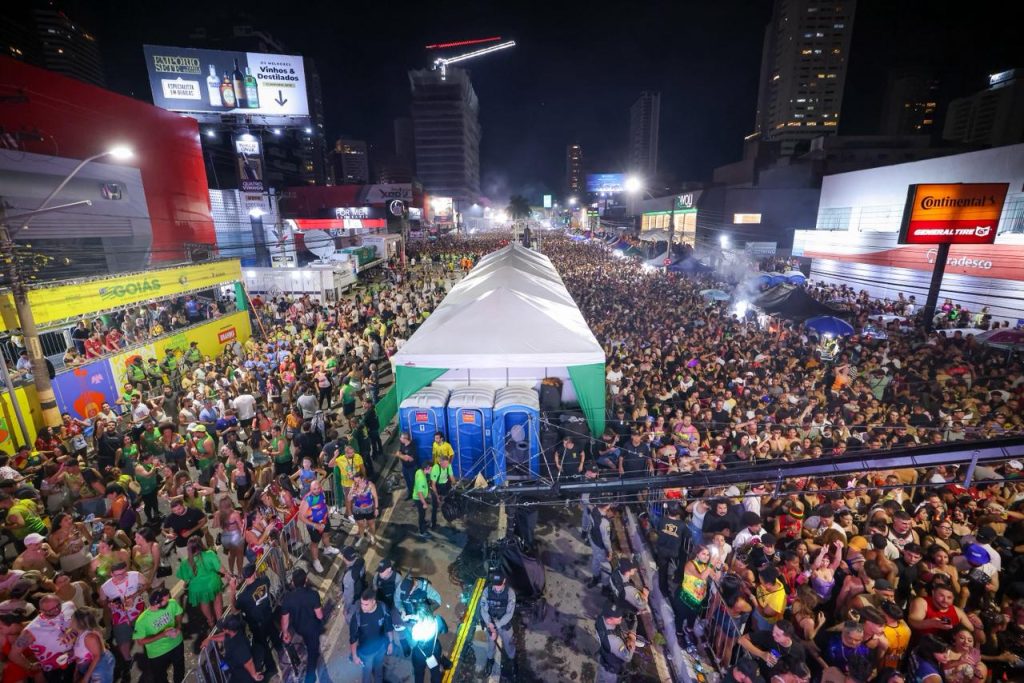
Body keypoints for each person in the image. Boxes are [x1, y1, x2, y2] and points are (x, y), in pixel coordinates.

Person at [98, 561, 147, 675]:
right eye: (118, 574)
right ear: (111, 574)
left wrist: (135, 595)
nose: (122, 576)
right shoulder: (105, 587)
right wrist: (109, 604)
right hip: (120, 616)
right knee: (122, 639)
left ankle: (149, 649)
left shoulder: (135, 575)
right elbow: (102, 602)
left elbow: (146, 584)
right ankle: (127, 660)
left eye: (124, 573)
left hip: (138, 611)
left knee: (145, 631)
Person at [14, 593, 76, 682]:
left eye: (58, 606)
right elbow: (14, 654)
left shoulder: (69, 606)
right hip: (59, 670)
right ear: (41, 611)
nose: (57, 610)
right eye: (51, 610)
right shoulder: (31, 631)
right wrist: (30, 666)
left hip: (81, 657)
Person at [280, 569, 324, 683]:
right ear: (306, 580)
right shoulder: (313, 594)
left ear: (293, 582)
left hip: (299, 628)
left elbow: (285, 619)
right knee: (312, 651)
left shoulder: (288, 598)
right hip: (313, 628)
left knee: (309, 642)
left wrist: (285, 633)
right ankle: (310, 677)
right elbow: (319, 615)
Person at [132, 587, 184, 683]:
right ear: (156, 603)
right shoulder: (142, 621)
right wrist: (163, 634)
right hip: (157, 653)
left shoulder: (172, 603)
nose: (169, 600)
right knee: (160, 677)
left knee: (180, 671)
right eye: (166, 600)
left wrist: (178, 627)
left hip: (177, 644)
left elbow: (179, 613)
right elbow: (140, 641)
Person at [203, 613, 273, 683]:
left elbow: (249, 662)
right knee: (221, 664)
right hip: (233, 663)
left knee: (225, 669)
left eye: (224, 628)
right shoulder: (236, 631)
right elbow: (224, 636)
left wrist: (254, 675)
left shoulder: (239, 647)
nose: (222, 629)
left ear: (228, 630)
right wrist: (210, 638)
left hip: (239, 670)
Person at [175, 536, 224, 629]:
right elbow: (220, 569)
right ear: (201, 544)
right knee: (217, 599)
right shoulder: (209, 554)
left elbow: (186, 579)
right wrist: (228, 575)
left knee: (204, 603)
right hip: (212, 583)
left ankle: (210, 621)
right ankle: (220, 620)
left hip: (197, 588)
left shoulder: (185, 562)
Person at [348, 588, 395, 683]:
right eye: (362, 603)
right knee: (367, 675)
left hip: (381, 649)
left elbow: (389, 627)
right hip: (366, 654)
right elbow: (353, 638)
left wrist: (391, 642)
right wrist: (354, 655)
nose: (363, 607)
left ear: (374, 602)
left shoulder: (383, 608)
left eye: (366, 604)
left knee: (379, 672)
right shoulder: (357, 616)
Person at [298, 478, 340, 574]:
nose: (317, 490)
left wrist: (327, 513)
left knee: (326, 535)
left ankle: (327, 548)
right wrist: (315, 525)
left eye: (318, 488)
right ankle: (315, 561)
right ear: (311, 489)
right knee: (315, 543)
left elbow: (323, 504)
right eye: (314, 489)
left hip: (325, 521)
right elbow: (301, 517)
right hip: (314, 527)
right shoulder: (307, 500)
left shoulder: (322, 493)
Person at [480, 570, 517, 677]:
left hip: (503, 624)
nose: (497, 588)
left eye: (499, 585)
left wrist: (496, 625)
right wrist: (490, 624)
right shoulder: (487, 591)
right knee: (491, 644)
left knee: (509, 644)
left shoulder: (510, 593)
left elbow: (509, 614)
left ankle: (513, 660)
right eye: (495, 585)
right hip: (491, 624)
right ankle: (490, 660)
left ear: (504, 581)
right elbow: (483, 609)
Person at [595, 601, 636, 683]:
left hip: (604, 654)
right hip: (610, 668)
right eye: (618, 616)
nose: (620, 616)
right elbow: (627, 657)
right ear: (610, 620)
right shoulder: (614, 641)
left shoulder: (601, 619)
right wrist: (632, 639)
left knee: (600, 678)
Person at [71, 608, 115, 683]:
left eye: (72, 620)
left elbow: (97, 657)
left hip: (99, 670)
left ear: (79, 622)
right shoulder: (81, 634)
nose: (70, 622)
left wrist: (85, 678)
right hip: (91, 669)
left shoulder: (89, 637)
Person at [428, 454, 456, 531]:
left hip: (445, 484)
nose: (447, 465)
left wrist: (455, 484)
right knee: (435, 506)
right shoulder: (436, 469)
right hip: (436, 486)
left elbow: (451, 477)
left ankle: (449, 519)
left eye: (448, 463)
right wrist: (437, 497)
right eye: (445, 464)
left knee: (449, 502)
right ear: (440, 462)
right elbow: (433, 485)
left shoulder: (448, 466)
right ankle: (433, 523)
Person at [340, 546, 367, 623]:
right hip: (363, 589)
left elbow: (349, 597)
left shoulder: (348, 577)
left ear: (345, 559)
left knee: (351, 619)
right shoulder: (361, 560)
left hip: (355, 600)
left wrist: (346, 609)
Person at [412, 460, 432, 540]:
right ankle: (422, 531)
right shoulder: (421, 479)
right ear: (426, 468)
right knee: (422, 514)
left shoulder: (419, 471)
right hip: (419, 499)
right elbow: (420, 493)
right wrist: (424, 503)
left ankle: (423, 522)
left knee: (423, 513)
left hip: (418, 496)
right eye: (431, 468)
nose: (432, 470)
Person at [396, 432, 419, 499]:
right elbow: (399, 452)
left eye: (401, 437)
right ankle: (410, 494)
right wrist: (402, 455)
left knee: (414, 482)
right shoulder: (402, 444)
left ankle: (417, 497)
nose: (400, 439)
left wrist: (400, 455)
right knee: (408, 482)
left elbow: (409, 459)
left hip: (411, 468)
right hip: (405, 467)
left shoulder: (412, 447)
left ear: (406, 439)